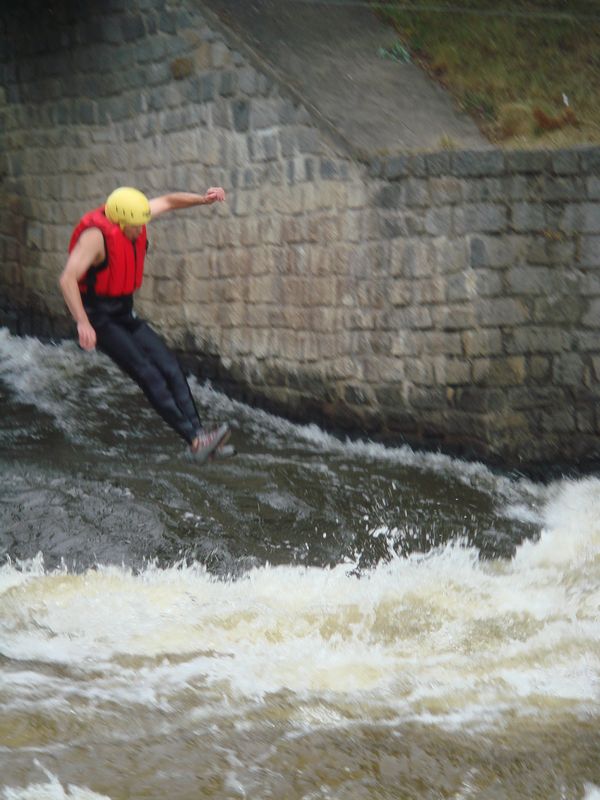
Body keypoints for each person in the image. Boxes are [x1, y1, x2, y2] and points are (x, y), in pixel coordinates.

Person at [59, 186, 231, 463]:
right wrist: (82, 323)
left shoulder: (134, 214)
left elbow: (168, 201)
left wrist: (203, 200)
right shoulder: (95, 237)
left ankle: (201, 438)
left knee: (171, 368)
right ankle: (195, 440)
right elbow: (67, 279)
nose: (140, 233)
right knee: (147, 372)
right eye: (135, 228)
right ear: (121, 222)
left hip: (124, 313)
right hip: (100, 318)